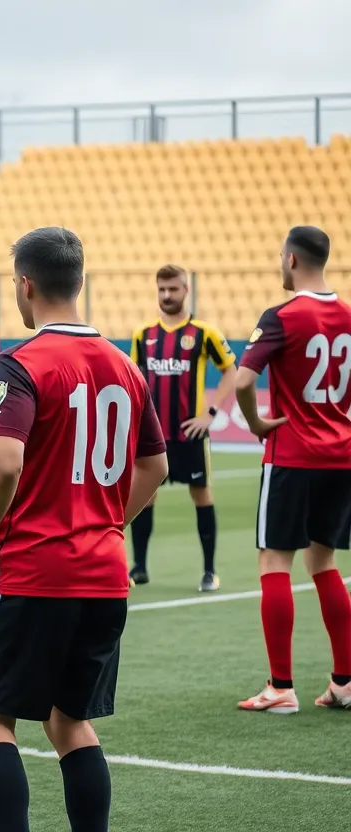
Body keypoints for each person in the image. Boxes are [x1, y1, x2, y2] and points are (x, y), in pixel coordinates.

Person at [0, 227, 167, 832]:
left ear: (25, 285)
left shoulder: (21, 364)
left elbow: (4, 462)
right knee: (70, 720)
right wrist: (107, 522)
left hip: (32, 570)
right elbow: (154, 466)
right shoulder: (125, 367)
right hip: (104, 573)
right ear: (78, 281)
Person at [234, 226, 351, 713]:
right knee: (324, 563)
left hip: (292, 455)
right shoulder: (347, 314)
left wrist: (257, 422)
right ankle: (344, 683)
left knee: (274, 563)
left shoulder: (282, 316)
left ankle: (280, 687)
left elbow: (243, 380)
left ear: (291, 260)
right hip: (342, 456)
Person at [128, 265, 236, 591]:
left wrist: (210, 413)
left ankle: (209, 571)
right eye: (161, 289)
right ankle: (140, 568)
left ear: (186, 290)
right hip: (153, 434)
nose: (166, 295)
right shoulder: (143, 335)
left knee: (201, 495)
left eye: (173, 289)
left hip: (190, 433)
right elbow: (135, 380)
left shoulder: (204, 333)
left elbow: (232, 371)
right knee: (144, 497)